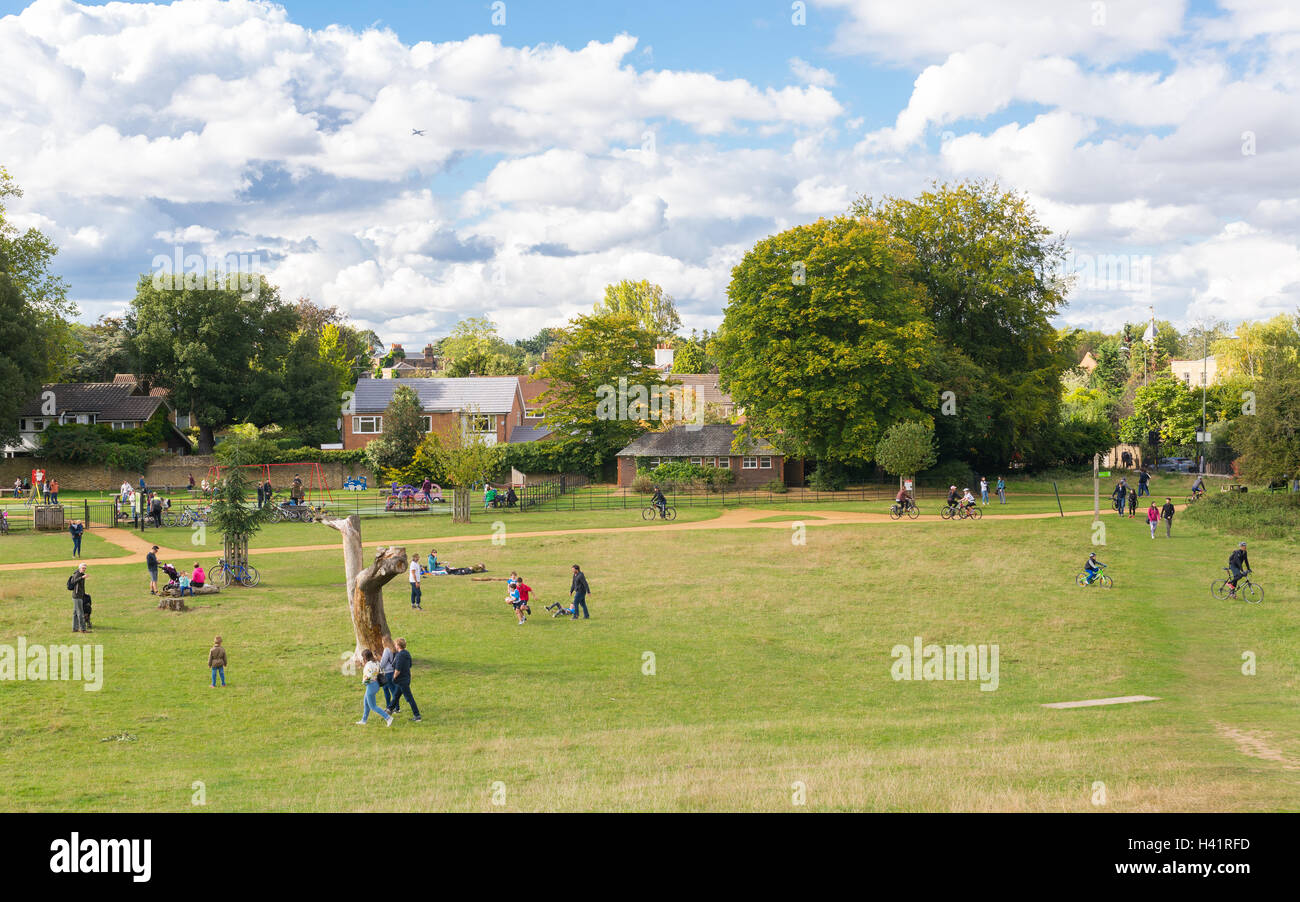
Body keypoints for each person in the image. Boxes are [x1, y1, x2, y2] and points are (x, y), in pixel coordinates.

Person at [386, 638, 421, 722]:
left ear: (398, 645)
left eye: (395, 644)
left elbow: (398, 669)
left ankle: (417, 715)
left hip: (402, 680)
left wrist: (394, 677)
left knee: (409, 698)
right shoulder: (406, 653)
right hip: (405, 678)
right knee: (396, 695)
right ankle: (389, 709)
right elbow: (410, 665)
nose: (394, 645)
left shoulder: (400, 655)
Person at [356, 649, 394, 727]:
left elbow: (368, 676)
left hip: (371, 685)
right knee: (366, 703)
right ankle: (364, 720)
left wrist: (364, 682)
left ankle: (388, 718)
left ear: (365, 657)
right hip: (376, 684)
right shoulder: (376, 662)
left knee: (373, 706)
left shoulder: (368, 665)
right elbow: (380, 671)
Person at [68, 563, 89, 633]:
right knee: (80, 613)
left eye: (85, 568)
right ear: (79, 568)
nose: (84, 569)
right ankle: (83, 629)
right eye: (83, 568)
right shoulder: (77, 574)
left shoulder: (81, 574)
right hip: (77, 596)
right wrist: (82, 578)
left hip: (78, 595)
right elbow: (73, 581)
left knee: (75, 613)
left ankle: (75, 628)